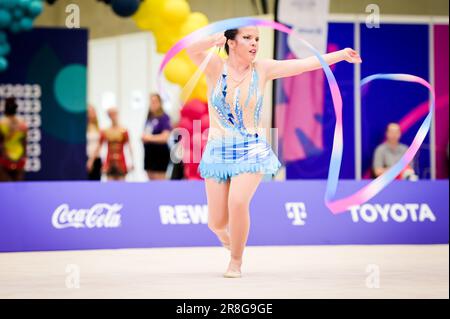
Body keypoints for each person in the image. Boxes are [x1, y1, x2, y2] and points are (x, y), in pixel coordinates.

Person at [186, 27, 362, 278]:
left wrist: (340, 55)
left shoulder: (263, 69)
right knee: (216, 223)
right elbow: (189, 49)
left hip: (252, 148)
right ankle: (229, 239)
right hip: (218, 149)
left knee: (237, 202)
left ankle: (236, 261)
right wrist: (211, 40)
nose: (254, 43)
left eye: (257, 38)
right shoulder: (214, 66)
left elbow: (302, 65)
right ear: (231, 42)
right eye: (247, 38)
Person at [88, 107, 134, 181]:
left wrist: (132, 161)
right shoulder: (106, 131)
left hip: (121, 162)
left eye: (114, 114)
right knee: (110, 184)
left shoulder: (124, 131)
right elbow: (99, 147)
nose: (113, 117)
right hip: (109, 162)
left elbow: (129, 147)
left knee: (121, 184)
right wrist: (91, 161)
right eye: (111, 115)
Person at [141, 93, 172, 180]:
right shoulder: (149, 118)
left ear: (160, 103)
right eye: (151, 102)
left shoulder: (164, 118)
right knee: (150, 180)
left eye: (155, 102)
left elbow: (165, 137)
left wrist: (149, 138)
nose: (153, 104)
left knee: (159, 180)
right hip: (149, 153)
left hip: (160, 153)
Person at [0, 97, 28, 182]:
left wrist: (5, 155)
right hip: (19, 157)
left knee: (4, 189)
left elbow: (1, 143)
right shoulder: (22, 123)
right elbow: (24, 142)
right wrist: (23, 156)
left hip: (4, 158)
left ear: (5, 108)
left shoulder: (1, 123)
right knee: (18, 188)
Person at [86, 105, 102, 180]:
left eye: (92, 111)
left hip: (96, 159)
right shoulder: (83, 127)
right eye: (89, 112)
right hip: (85, 157)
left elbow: (99, 145)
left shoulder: (98, 128)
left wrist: (91, 160)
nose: (91, 114)